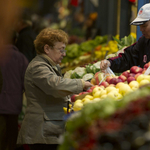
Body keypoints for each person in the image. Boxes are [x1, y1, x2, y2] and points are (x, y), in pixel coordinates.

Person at [17, 28, 93, 150]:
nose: (64, 54)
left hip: (48, 131)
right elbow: (55, 85)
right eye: (61, 49)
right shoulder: (38, 66)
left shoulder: (50, 65)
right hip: (42, 133)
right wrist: (81, 83)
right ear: (47, 49)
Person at [100, 3, 150, 73]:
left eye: (144, 26)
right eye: (140, 26)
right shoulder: (144, 41)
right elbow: (128, 58)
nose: (141, 29)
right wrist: (110, 63)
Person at [0, 31, 28, 150]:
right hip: (14, 105)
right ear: (15, 40)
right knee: (12, 138)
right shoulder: (21, 58)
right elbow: (27, 82)